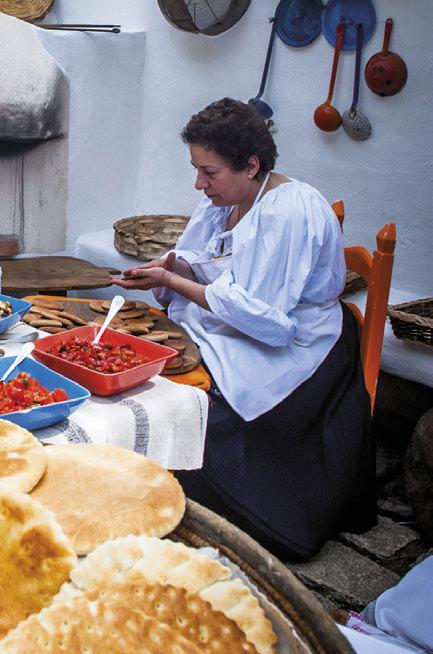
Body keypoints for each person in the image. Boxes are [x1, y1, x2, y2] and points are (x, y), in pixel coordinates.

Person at [111, 97, 373, 560]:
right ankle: (148, 482)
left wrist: (176, 282)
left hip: (297, 344)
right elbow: (204, 261)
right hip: (233, 324)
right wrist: (171, 268)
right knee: (147, 361)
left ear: (251, 166)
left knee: (200, 403)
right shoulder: (223, 202)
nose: (199, 183)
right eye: (197, 170)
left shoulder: (290, 210)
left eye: (209, 172)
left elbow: (268, 321)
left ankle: (218, 510)